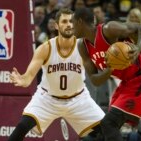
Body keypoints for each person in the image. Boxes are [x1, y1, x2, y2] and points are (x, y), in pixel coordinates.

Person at [8, 8, 105, 141]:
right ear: (56, 25)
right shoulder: (45, 48)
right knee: (22, 126)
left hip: (78, 99)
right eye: (64, 21)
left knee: (107, 130)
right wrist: (22, 80)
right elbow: (28, 77)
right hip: (47, 98)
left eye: (71, 21)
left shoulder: (83, 46)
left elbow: (99, 67)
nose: (69, 25)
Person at [72, 7, 141, 141]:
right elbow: (95, 80)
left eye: (72, 23)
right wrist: (109, 70)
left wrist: (138, 47)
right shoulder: (82, 46)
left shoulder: (108, 29)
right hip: (126, 82)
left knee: (109, 124)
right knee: (103, 129)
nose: (70, 27)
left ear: (79, 22)